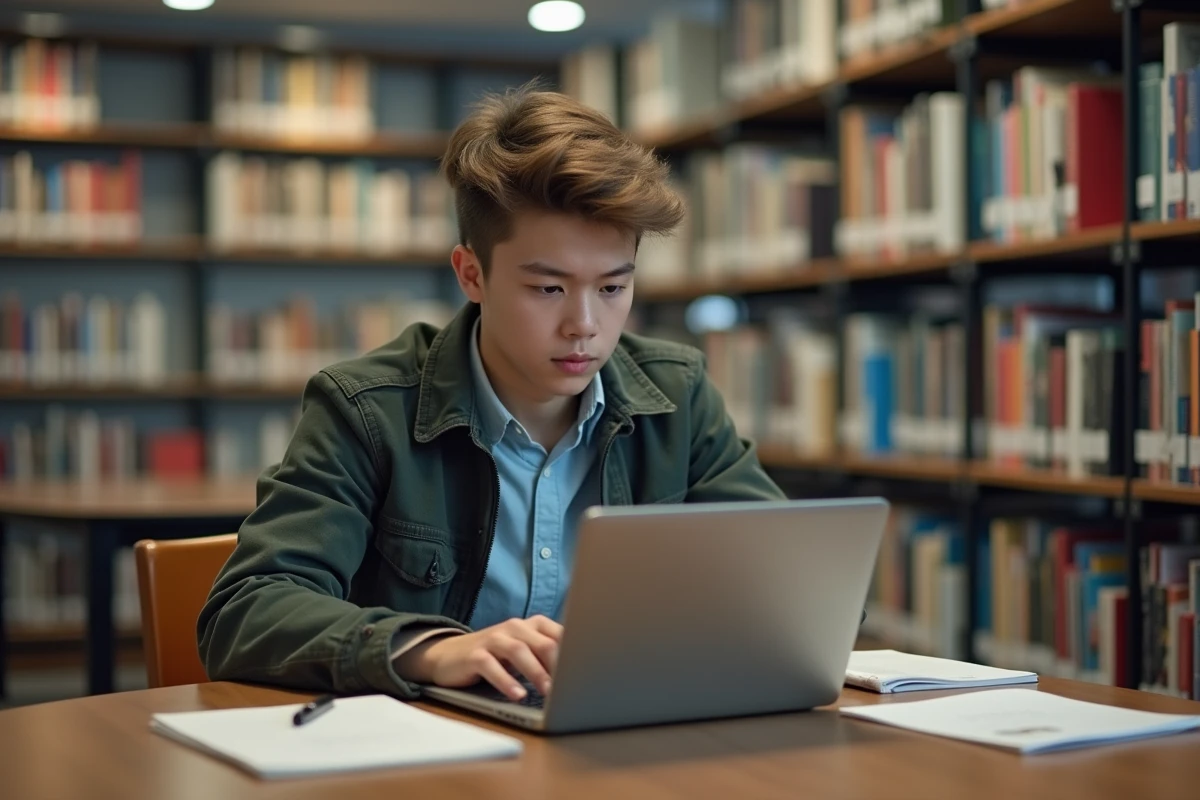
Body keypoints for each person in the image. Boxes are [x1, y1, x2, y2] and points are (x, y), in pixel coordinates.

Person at [197, 84, 786, 703]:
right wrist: (431, 650)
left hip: (624, 727)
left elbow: (788, 582)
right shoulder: (365, 409)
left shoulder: (678, 393)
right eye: (549, 289)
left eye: (612, 288)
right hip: (434, 742)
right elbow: (245, 611)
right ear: (471, 274)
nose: (584, 325)